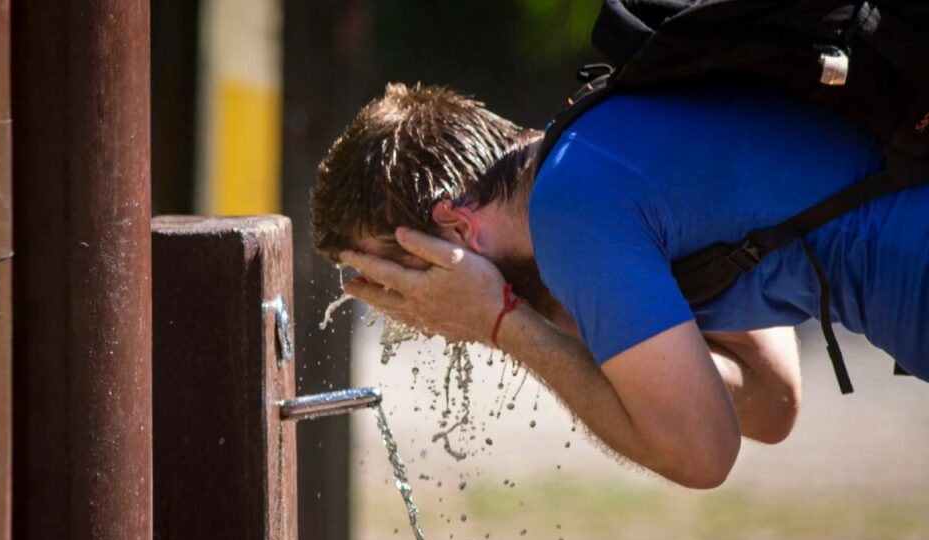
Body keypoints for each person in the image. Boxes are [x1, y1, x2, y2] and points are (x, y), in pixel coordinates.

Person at [310, 82, 929, 489]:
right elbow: (772, 402)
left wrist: (500, 322)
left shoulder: (570, 210)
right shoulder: (596, 149)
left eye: (400, 276)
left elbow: (701, 453)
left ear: (454, 226)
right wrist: (555, 317)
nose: (412, 311)